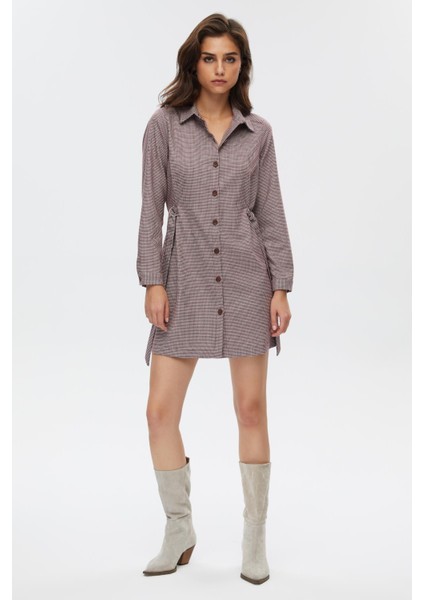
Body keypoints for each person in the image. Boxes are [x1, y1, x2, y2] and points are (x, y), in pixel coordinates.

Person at [136, 13, 294, 585]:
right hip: (185, 280)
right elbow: (151, 208)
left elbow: (270, 214)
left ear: (241, 66)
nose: (220, 69)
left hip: (249, 284)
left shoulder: (260, 133)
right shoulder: (163, 127)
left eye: (230, 59)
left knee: (250, 410)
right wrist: (153, 280)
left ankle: (254, 539)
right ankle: (179, 528)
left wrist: (281, 286)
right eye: (210, 58)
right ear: (194, 63)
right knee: (159, 413)